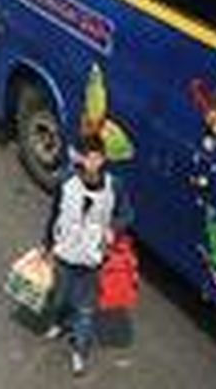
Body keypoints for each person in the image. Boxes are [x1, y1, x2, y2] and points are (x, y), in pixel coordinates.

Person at [41, 133, 134, 377]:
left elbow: (127, 214)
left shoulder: (115, 185)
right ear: (80, 158)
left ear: (103, 159)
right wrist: (46, 244)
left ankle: (79, 352)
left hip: (93, 260)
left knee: (85, 310)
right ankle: (59, 322)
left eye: (97, 157)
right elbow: (54, 215)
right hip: (64, 254)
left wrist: (113, 229)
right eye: (87, 157)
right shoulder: (66, 181)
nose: (92, 163)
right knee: (60, 297)